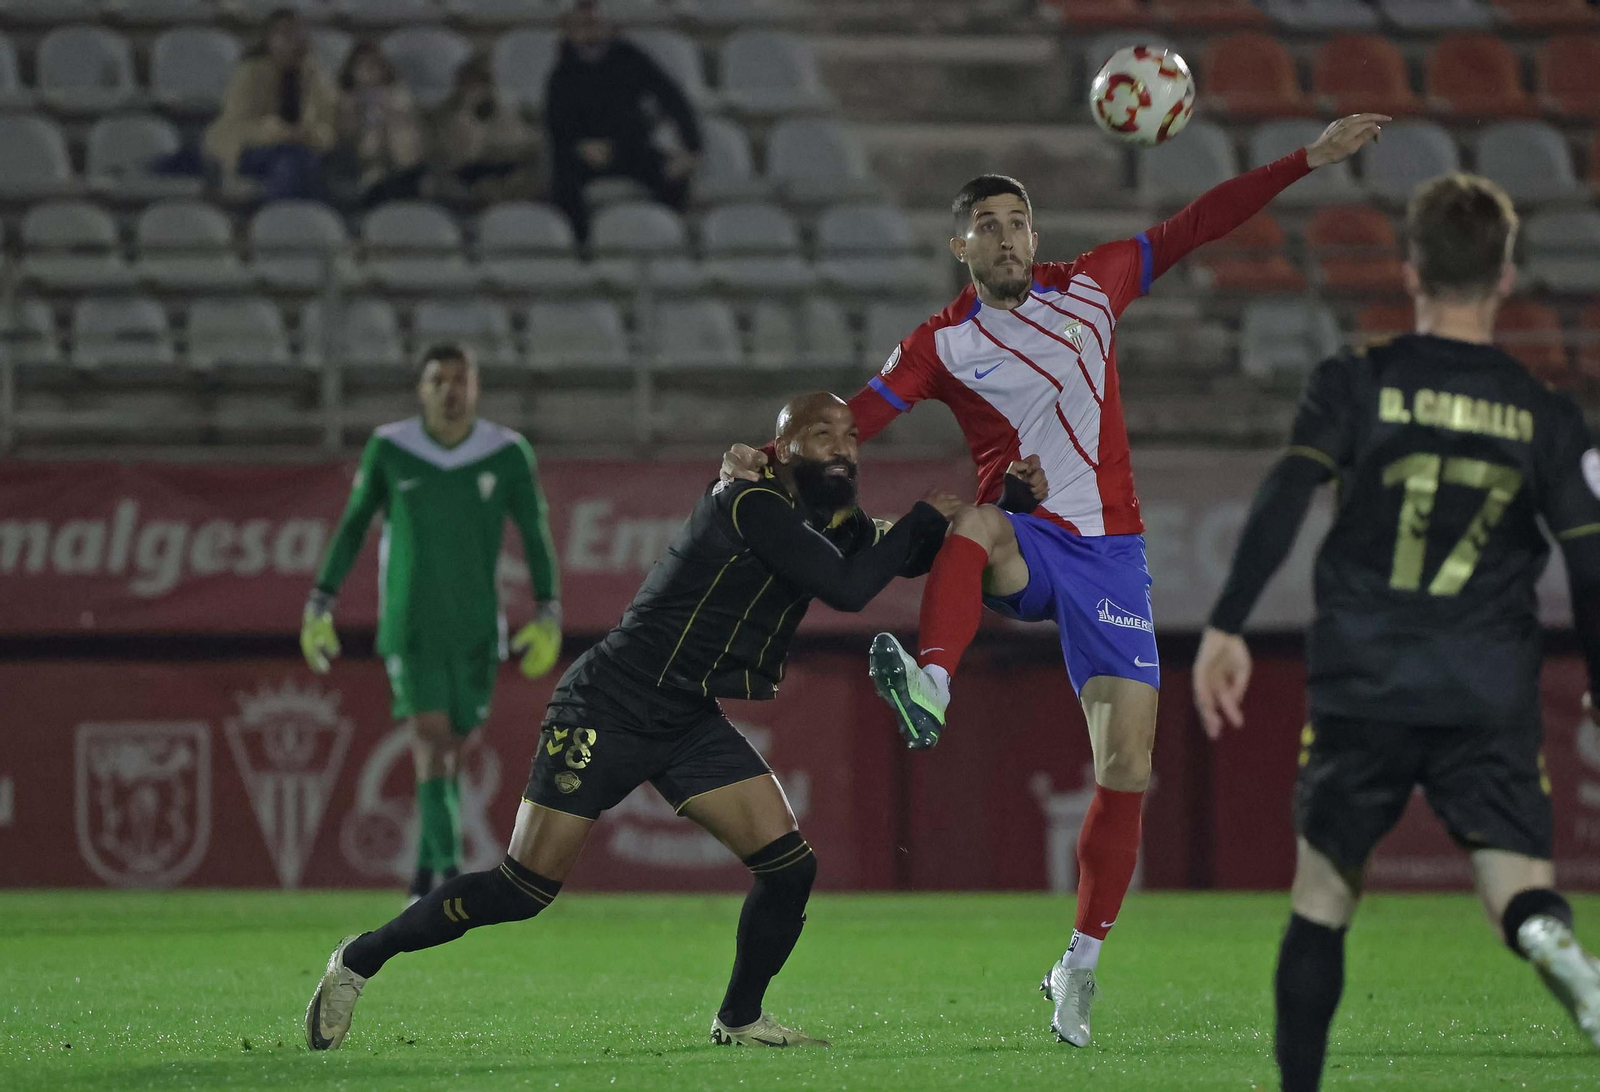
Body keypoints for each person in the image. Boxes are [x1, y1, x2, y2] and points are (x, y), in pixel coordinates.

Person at [721, 113, 1389, 1047]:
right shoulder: (941, 343)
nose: (1007, 237)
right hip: (1026, 541)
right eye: (987, 225)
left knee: (1128, 770)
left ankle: (1077, 963)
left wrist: (1306, 160)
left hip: (1111, 554)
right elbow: (855, 419)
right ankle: (934, 685)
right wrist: (772, 453)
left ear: (1036, 233)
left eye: (1018, 220)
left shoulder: (1096, 284)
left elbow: (1200, 224)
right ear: (959, 245)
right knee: (975, 517)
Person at [304, 393, 962, 1051]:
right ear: (784, 448)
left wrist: (1000, 509)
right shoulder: (747, 500)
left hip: (685, 719)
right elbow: (850, 588)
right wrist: (925, 516)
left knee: (789, 868)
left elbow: (898, 555)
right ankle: (361, 957)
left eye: (851, 435)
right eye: (823, 434)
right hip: (606, 705)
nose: (844, 447)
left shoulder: (825, 519)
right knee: (523, 889)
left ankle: (739, 1019)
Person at [1192, 172, 1600, 1089]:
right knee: (1511, 886)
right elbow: (1591, 564)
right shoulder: (1545, 414)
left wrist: (1227, 623)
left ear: (1411, 268)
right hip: (1486, 685)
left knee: (1324, 897)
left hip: (1365, 678)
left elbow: (1287, 491)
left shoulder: (1355, 380)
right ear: (1506, 276)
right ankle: (1549, 939)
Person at [300, 343, 562, 904]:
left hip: (474, 628)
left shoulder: (507, 452)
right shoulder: (391, 449)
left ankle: (426, 868)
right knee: (432, 740)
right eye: (437, 380)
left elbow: (535, 532)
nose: (449, 390)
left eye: (459, 379)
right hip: (411, 625)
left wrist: (548, 608)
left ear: (475, 387)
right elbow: (351, 526)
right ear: (421, 390)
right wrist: (321, 600)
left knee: (457, 748)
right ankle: (446, 872)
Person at [544, 0, 701, 243]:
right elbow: (555, 124)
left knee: (673, 175)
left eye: (595, 24)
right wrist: (580, 146)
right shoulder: (561, 73)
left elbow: (671, 97)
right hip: (582, 153)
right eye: (583, 25)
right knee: (564, 186)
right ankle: (583, 249)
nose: (590, 31)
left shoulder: (629, 58)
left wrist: (691, 147)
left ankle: (670, 237)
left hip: (630, 148)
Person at [204, 7, 337, 200]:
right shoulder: (249, 72)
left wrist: (309, 134)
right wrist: (279, 132)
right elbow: (236, 125)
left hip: (303, 147)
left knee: (300, 161)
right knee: (292, 163)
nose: (293, 40)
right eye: (285, 34)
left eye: (298, 33)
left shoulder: (317, 76)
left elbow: (329, 127)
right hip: (250, 148)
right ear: (268, 39)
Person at [331, 42, 424, 208]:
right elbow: (341, 134)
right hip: (354, 164)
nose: (369, 71)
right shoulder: (343, 98)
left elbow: (409, 134)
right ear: (351, 70)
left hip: (396, 163)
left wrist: (387, 111)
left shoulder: (398, 95)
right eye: (362, 65)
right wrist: (354, 111)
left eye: (374, 65)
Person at [437, 54, 538, 205]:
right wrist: (470, 116)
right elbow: (465, 156)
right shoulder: (451, 114)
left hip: (507, 171)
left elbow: (523, 142)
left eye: (482, 84)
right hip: (469, 178)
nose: (478, 91)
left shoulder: (503, 107)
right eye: (471, 85)